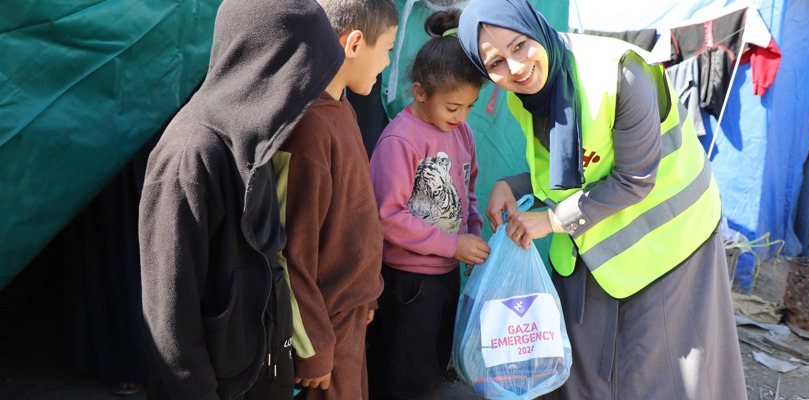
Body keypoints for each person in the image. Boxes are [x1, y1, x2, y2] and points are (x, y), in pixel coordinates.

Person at [456, 1, 747, 398]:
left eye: (520, 45)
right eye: (496, 64)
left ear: (535, 28)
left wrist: (552, 221)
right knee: (583, 368)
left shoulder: (620, 73)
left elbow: (634, 178)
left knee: (660, 374)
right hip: (596, 239)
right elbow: (572, 171)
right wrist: (515, 185)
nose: (516, 68)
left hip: (671, 243)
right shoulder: (524, 99)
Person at [137, 0, 344, 397]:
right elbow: (170, 320)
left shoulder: (254, 139)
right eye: (305, 78)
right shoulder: (189, 155)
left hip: (262, 373)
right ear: (268, 66)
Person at [275, 0, 398, 399]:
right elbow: (290, 251)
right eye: (389, 50)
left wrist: (368, 289)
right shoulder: (309, 127)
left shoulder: (341, 106)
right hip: (322, 335)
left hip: (349, 322)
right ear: (355, 43)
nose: (387, 64)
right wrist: (312, 348)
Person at [365, 8, 489, 400]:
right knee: (408, 378)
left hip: (446, 274)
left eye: (469, 107)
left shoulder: (462, 133)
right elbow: (388, 218)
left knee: (433, 367)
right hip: (408, 283)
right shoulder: (400, 141)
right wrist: (454, 245)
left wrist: (471, 235)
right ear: (420, 92)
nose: (462, 117)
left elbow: (468, 192)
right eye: (453, 108)